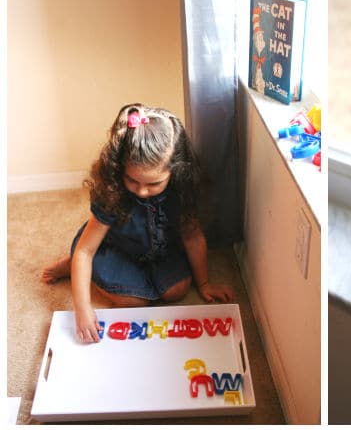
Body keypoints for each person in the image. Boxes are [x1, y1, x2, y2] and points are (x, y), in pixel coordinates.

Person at [41, 103, 233, 343]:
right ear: (120, 168)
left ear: (176, 171)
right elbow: (86, 250)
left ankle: (83, 269)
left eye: (154, 184)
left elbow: (192, 237)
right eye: (132, 180)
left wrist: (204, 284)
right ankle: (70, 267)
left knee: (177, 291)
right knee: (134, 302)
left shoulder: (182, 190)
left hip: (161, 250)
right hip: (116, 250)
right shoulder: (113, 192)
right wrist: (83, 310)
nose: (142, 191)